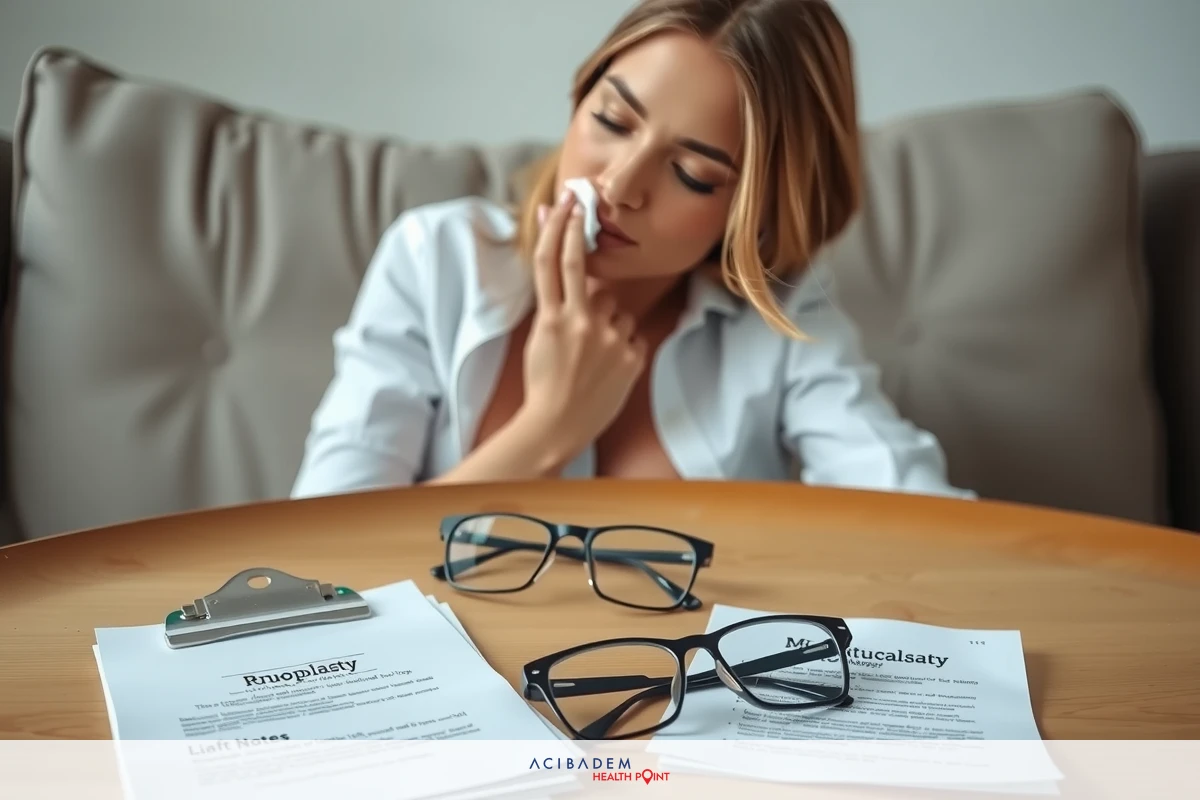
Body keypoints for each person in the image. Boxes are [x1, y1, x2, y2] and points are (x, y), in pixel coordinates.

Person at [290, 0, 975, 500]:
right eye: (612, 120)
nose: (617, 186)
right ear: (578, 97)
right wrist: (548, 428)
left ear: (757, 211)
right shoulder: (434, 258)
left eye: (693, 175)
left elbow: (920, 520)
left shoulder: (780, 315)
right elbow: (325, 549)